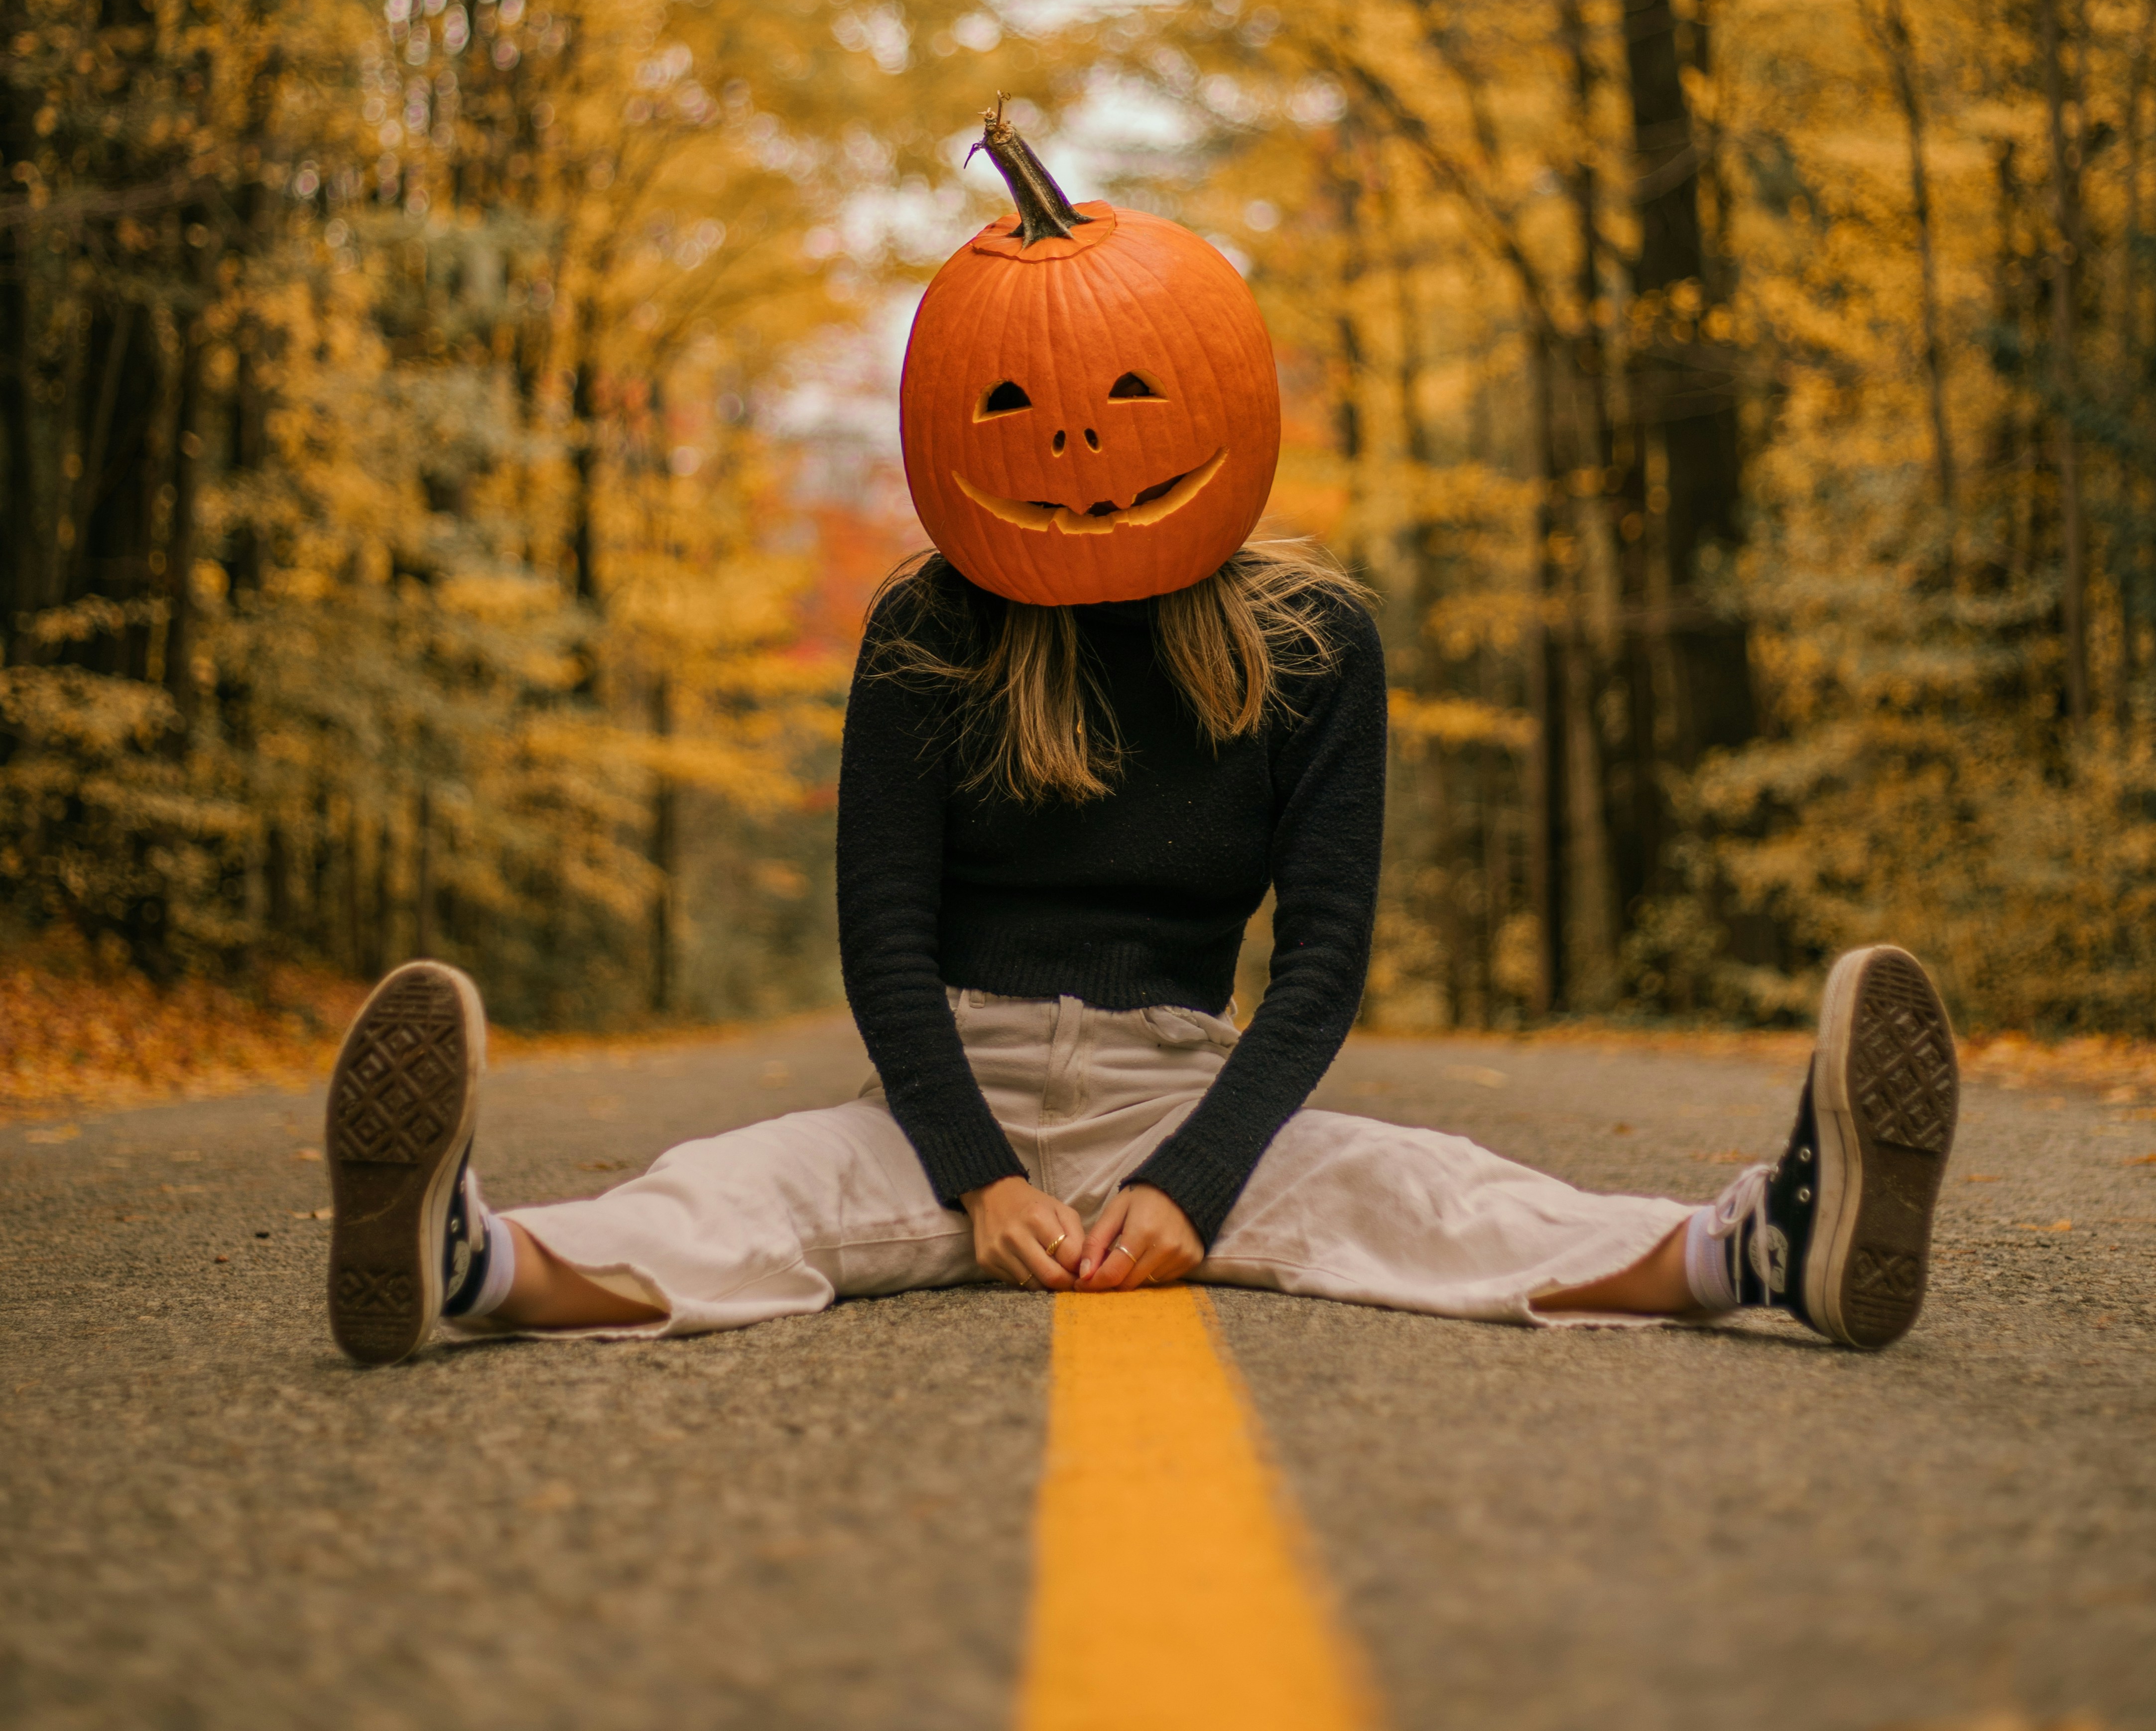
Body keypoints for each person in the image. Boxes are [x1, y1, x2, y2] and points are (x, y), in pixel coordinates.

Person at [322, 113, 1958, 1367]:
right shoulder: (929, 630)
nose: (1077, 440)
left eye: (1124, 397)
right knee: (735, 1194)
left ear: (1211, 392)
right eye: (1015, 409)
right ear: (954, 427)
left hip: (1184, 1091)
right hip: (938, 1099)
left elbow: (1320, 962)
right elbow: (882, 937)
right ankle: (465, 1260)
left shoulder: (1315, 645)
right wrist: (980, 1178)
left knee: (1429, 1193)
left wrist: (1194, 1179)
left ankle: (1766, 1243)